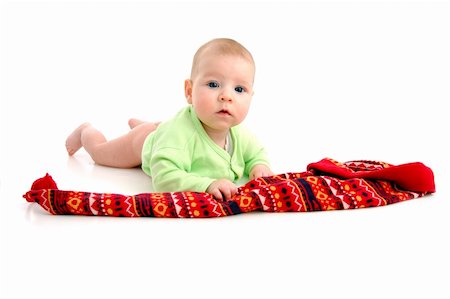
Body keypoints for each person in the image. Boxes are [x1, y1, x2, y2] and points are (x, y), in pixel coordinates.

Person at [65, 38, 273, 200]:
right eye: (213, 84)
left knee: (164, 132)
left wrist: (259, 166)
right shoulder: (180, 137)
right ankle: (86, 131)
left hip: (165, 133)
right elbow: (164, 178)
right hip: (144, 143)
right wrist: (206, 185)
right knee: (102, 153)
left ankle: (148, 126)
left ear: (251, 96)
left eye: (239, 89)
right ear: (189, 91)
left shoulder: (238, 132)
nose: (226, 96)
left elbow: (255, 153)